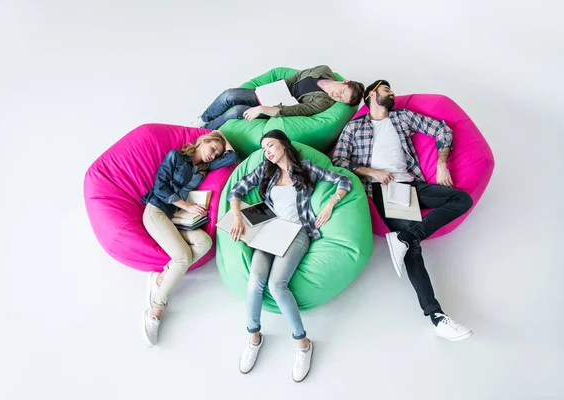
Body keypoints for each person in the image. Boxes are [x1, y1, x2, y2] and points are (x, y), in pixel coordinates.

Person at [332, 80, 474, 341]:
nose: (393, 93)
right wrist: (371, 172)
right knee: (414, 251)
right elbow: (338, 161)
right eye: (387, 90)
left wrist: (442, 163)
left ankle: (406, 237)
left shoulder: (403, 117)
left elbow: (441, 129)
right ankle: (436, 316)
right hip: (385, 191)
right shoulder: (354, 127)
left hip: (412, 184)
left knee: (462, 199)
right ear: (372, 94)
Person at [227, 129, 352, 382]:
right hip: (267, 226)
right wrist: (238, 216)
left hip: (297, 232)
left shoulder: (306, 168)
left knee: (276, 285)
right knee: (255, 281)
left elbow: (344, 181)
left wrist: (330, 204)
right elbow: (236, 190)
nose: (268, 152)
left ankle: (303, 343)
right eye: (264, 149)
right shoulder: (266, 170)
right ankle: (254, 336)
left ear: (284, 144)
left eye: (270, 145)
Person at [141, 131, 237, 346]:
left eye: (217, 152)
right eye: (212, 148)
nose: (213, 155)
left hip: (175, 218)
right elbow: (160, 188)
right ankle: (156, 309)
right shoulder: (176, 156)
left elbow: (232, 157)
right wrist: (188, 206)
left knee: (205, 242)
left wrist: (222, 136)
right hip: (156, 211)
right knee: (183, 256)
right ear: (203, 141)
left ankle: (160, 278)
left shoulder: (203, 169)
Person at [190, 65, 365, 130]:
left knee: (237, 111)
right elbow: (296, 78)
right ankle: (203, 119)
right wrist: (274, 87)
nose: (337, 96)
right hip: (273, 92)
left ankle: (204, 130)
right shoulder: (323, 70)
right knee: (230, 94)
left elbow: (297, 110)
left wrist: (263, 109)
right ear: (345, 81)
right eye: (342, 92)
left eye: (341, 100)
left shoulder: (324, 102)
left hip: (276, 108)